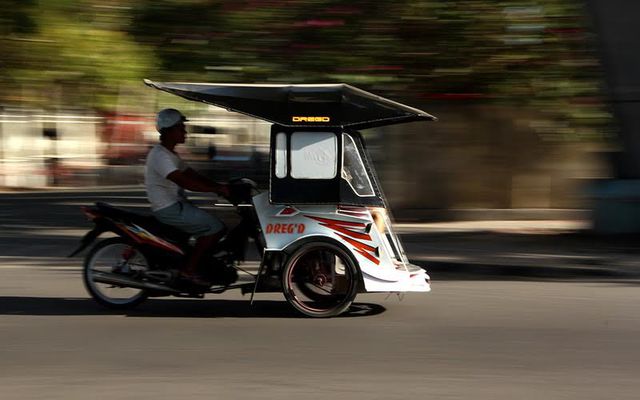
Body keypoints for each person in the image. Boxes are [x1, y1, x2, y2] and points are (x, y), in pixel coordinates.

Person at [145, 108, 229, 286]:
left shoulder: (170, 154)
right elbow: (185, 182)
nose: (185, 132)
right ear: (168, 130)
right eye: (180, 128)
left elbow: (192, 174)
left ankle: (197, 262)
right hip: (168, 208)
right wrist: (217, 189)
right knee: (215, 227)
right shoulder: (160, 156)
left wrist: (220, 186)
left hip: (176, 204)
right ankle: (188, 271)